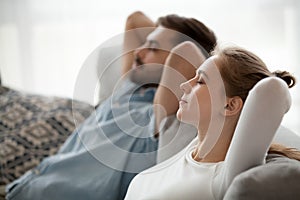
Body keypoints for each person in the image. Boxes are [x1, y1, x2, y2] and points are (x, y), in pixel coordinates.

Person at [5, 11, 217, 200]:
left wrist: (194, 52)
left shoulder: (161, 115)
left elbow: (187, 51)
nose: (138, 52)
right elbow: (134, 20)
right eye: (144, 43)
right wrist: (162, 36)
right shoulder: (126, 87)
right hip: (25, 186)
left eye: (152, 48)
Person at [125, 46, 299, 199]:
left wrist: (277, 78)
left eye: (200, 81)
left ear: (230, 105)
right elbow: (185, 49)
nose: (184, 85)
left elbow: (273, 90)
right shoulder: (194, 149)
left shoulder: (223, 178)